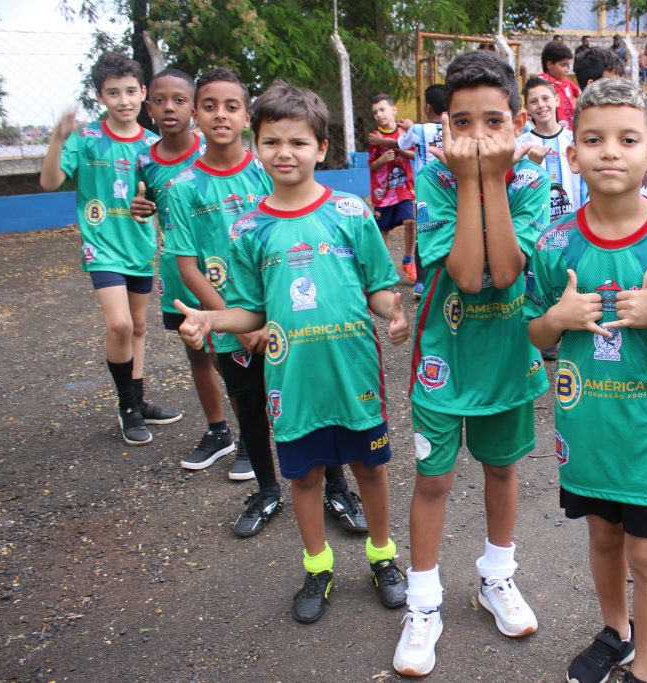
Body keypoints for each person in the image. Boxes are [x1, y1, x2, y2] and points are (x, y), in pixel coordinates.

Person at [176, 81, 410, 622]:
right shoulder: (249, 228)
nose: (285, 153)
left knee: (369, 467)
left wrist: (394, 312)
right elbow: (251, 311)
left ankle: (382, 556)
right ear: (256, 145)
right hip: (292, 380)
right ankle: (318, 567)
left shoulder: (350, 212)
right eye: (272, 141)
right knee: (303, 476)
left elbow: (378, 287)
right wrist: (211, 319)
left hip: (354, 373)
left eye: (299, 142)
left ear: (321, 148)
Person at [525, 78, 647, 683]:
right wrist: (558, 318)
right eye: (594, 139)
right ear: (572, 154)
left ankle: (645, 670)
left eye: (628, 140)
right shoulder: (555, 243)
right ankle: (617, 633)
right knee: (603, 539)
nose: (609, 151)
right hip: (586, 430)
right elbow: (534, 333)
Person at [392, 51, 550, 677]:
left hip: (507, 358)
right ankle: (423, 602)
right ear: (443, 125)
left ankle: (496, 576)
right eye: (462, 123)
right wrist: (469, 181)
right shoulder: (434, 177)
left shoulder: (531, 181)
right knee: (432, 481)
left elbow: (505, 272)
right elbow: (464, 273)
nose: (478, 137)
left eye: (493, 121)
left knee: (502, 470)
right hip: (444, 360)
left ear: (517, 123)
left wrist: (491, 181)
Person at [163, 68, 283, 538]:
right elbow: (188, 267)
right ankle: (267, 490)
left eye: (232, 107)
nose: (220, 115)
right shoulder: (183, 188)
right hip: (231, 324)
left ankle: (334, 486)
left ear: (247, 117)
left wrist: (269, 318)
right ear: (195, 114)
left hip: (282, 315)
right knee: (249, 403)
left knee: (302, 400)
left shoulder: (268, 170)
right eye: (209, 106)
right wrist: (237, 324)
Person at [39, 52, 182, 446]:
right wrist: (58, 137)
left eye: (131, 91)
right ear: (100, 97)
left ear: (143, 93)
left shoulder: (153, 146)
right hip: (101, 248)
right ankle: (126, 407)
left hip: (140, 247)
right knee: (119, 324)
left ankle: (139, 399)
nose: (123, 100)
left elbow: (165, 197)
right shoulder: (87, 139)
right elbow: (49, 182)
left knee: (138, 326)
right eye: (113, 92)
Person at [129, 69, 240, 473]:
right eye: (160, 100)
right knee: (198, 353)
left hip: (226, 273)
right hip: (181, 272)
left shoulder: (212, 148)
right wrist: (141, 209)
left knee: (232, 356)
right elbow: (145, 203)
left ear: (193, 109)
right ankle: (218, 431)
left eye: (179, 100)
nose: (169, 108)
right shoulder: (145, 161)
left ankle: (252, 432)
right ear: (149, 108)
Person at [397, 84, 447, 300]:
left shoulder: (418, 130)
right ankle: (445, 279)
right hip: (448, 187)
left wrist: (384, 141)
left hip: (425, 189)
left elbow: (401, 144)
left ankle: (421, 282)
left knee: (424, 232)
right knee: (447, 229)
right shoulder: (454, 127)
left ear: (428, 107)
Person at [518, 76, 584, 221]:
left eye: (545, 98)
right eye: (534, 101)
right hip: (538, 227)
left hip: (575, 224)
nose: (541, 105)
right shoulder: (520, 146)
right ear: (527, 108)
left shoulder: (575, 140)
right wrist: (532, 166)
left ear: (557, 100)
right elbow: (517, 192)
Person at [368, 94, 417, 283]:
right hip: (384, 192)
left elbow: (415, 155)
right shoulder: (375, 137)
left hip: (404, 188)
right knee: (383, 230)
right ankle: (386, 265)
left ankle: (408, 261)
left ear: (393, 110)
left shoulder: (405, 131)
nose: (379, 114)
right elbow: (372, 165)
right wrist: (382, 160)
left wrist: (401, 150)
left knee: (410, 221)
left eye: (382, 109)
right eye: (375, 112)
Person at [539, 39, 581, 125]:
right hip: (554, 128)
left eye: (567, 65)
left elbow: (580, 94)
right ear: (549, 65)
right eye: (563, 65)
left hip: (571, 128)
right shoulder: (543, 81)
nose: (567, 70)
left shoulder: (567, 81)